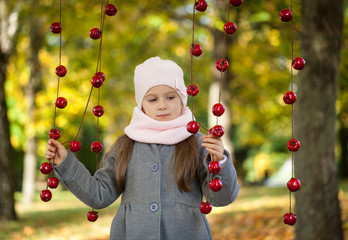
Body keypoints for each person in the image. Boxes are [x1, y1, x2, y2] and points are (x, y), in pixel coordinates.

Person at [45, 56, 239, 240]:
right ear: (142, 105)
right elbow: (99, 195)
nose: (162, 105)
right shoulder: (125, 145)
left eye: (170, 97)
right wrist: (65, 162)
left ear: (182, 99)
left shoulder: (197, 142)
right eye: (153, 99)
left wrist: (219, 161)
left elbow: (221, 198)